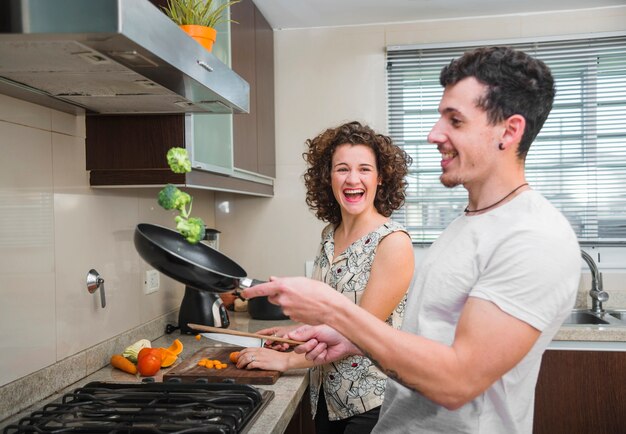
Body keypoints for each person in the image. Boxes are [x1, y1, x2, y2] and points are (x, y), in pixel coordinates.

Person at [242, 46, 581, 433]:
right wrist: (350, 338)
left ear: (509, 130)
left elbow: (457, 382)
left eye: (454, 120)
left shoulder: (535, 237)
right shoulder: (465, 226)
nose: (434, 134)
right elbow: (427, 338)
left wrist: (336, 311)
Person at [236, 121, 415, 434]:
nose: (352, 179)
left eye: (364, 169)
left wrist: (287, 361)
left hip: (373, 403)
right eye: (342, 169)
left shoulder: (393, 242)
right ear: (328, 177)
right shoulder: (330, 236)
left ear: (381, 177)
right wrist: (295, 333)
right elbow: (334, 315)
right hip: (326, 399)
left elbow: (361, 332)